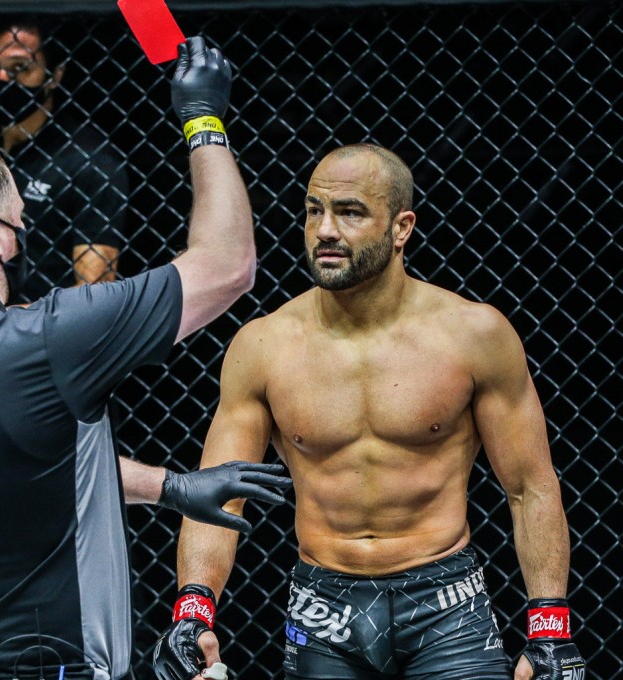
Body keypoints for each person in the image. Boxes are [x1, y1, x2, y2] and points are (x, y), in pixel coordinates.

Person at [0, 38, 291, 680]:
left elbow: (21, 464)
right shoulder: (40, 341)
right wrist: (204, 120)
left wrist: (170, 487)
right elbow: (227, 267)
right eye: (19, 223)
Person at [153, 144, 586, 680]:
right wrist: (192, 611)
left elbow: (530, 485)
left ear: (401, 228)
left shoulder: (474, 335)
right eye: (314, 210)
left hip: (446, 602)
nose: (325, 230)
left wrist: (550, 628)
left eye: (350, 212)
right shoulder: (264, 346)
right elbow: (220, 492)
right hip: (323, 605)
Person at [0, 20, 128, 296]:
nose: (2, 79)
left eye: (20, 68)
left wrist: (13, 321)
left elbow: (93, 295)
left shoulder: (89, 161)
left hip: (45, 330)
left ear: (54, 75)